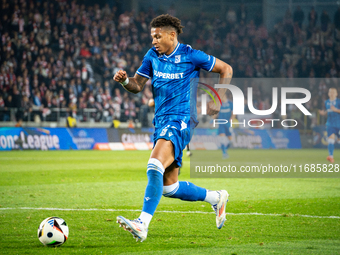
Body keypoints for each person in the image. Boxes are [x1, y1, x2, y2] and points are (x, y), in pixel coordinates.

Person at [113, 14, 233, 242]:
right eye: (152, 37)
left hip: (181, 120)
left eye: (157, 36)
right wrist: (125, 81)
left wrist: (218, 99)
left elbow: (226, 69)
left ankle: (142, 224)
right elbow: (137, 85)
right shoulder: (152, 56)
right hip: (161, 122)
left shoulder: (191, 55)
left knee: (154, 163)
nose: (154, 41)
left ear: (172, 35)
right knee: (169, 187)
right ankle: (216, 198)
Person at [319, 88, 340, 163]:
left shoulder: (338, 102)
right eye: (330, 92)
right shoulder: (326, 102)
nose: (332, 93)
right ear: (328, 93)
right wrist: (323, 113)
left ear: (336, 94)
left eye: (333, 92)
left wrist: (336, 110)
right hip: (330, 124)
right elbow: (327, 111)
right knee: (330, 139)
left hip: (338, 124)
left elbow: (336, 110)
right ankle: (331, 157)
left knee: (338, 140)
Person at [217, 93, 233, 158]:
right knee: (222, 138)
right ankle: (224, 153)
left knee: (230, 139)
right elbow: (216, 112)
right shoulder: (219, 104)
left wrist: (231, 120)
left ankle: (225, 149)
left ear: (225, 96)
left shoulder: (230, 103)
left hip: (228, 123)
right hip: (221, 123)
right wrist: (212, 120)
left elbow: (233, 113)